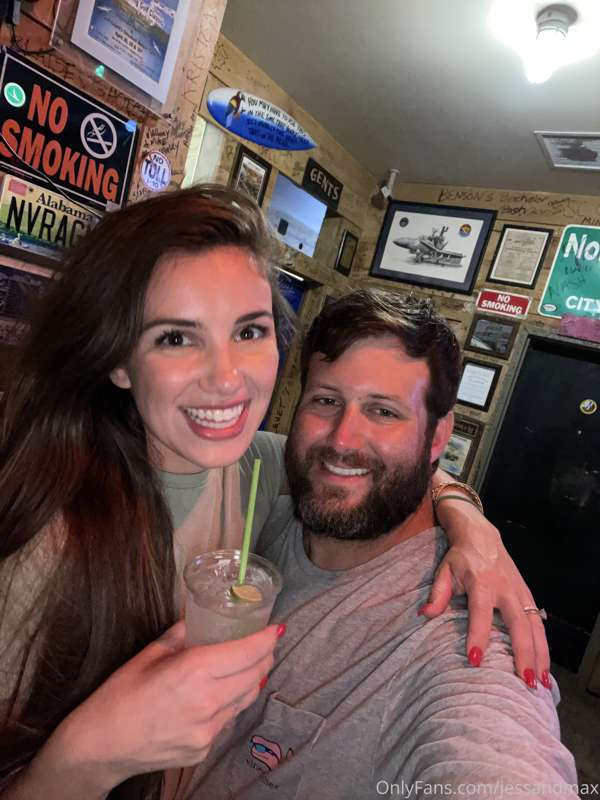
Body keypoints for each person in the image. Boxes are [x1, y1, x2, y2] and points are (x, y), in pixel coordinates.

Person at [0, 186, 546, 800]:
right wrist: (86, 756)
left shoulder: (252, 469)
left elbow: (493, 752)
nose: (226, 378)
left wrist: (469, 519)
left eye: (249, 331)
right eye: (176, 337)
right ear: (119, 360)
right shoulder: (44, 535)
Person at [189, 290, 577, 799]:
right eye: (326, 401)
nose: (342, 439)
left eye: (384, 411)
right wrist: (461, 506)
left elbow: (499, 758)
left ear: (437, 438)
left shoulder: (460, 640)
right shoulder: (266, 504)